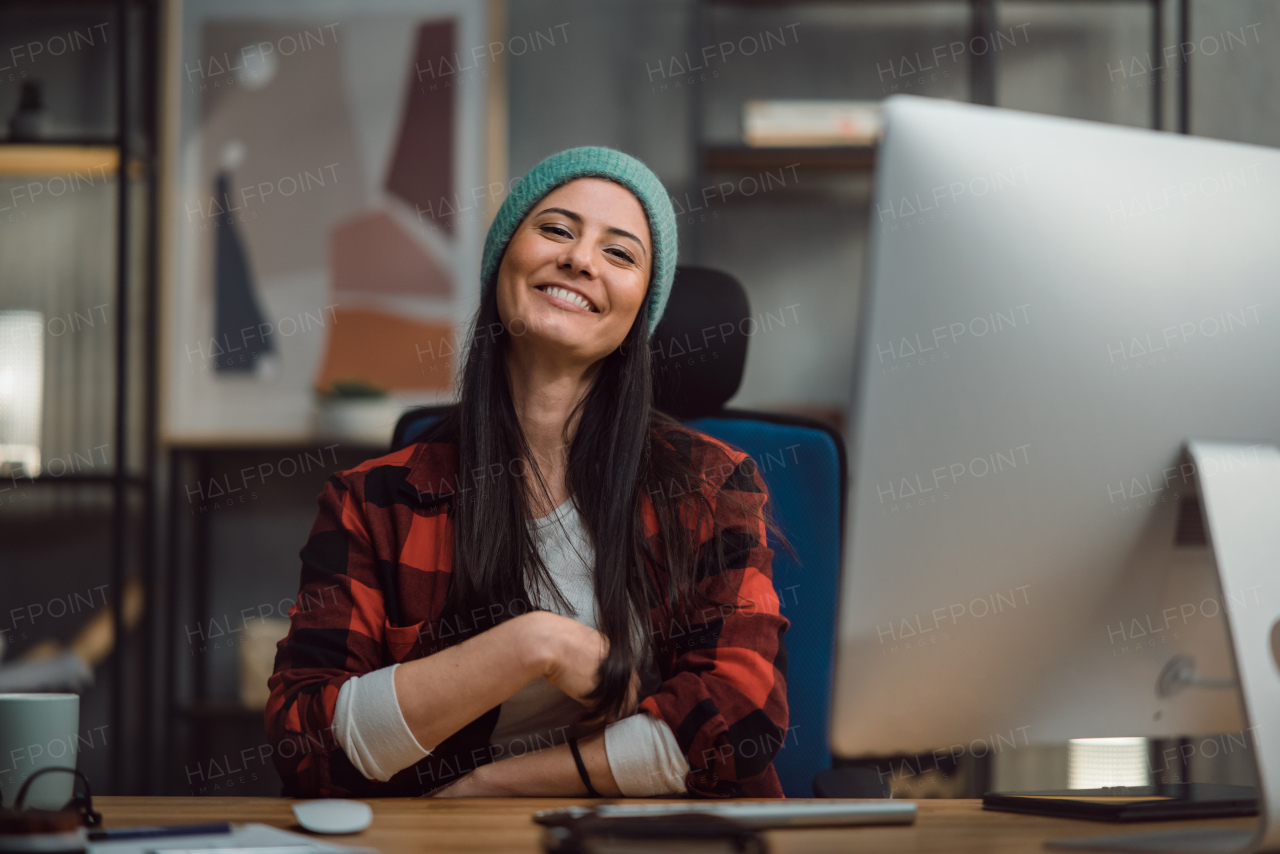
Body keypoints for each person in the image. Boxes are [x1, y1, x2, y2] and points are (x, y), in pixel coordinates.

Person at [266, 146, 792, 799]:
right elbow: (306, 746)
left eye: (621, 253)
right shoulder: (374, 502)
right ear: (501, 264)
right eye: (556, 230)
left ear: (639, 313)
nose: (580, 259)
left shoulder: (713, 485)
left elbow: (736, 721)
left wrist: (496, 785)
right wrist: (532, 646)